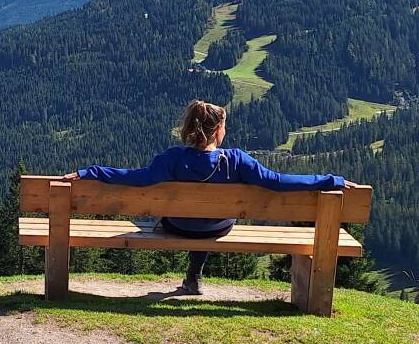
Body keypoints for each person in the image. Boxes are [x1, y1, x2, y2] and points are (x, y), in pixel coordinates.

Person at [64, 99, 352, 296]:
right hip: (217, 227)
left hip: (178, 225)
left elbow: (136, 178)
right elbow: (277, 182)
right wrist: (330, 180)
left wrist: (91, 171)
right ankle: (194, 277)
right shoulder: (236, 160)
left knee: (184, 215)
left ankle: (192, 278)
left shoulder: (173, 157)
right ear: (217, 130)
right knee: (211, 216)